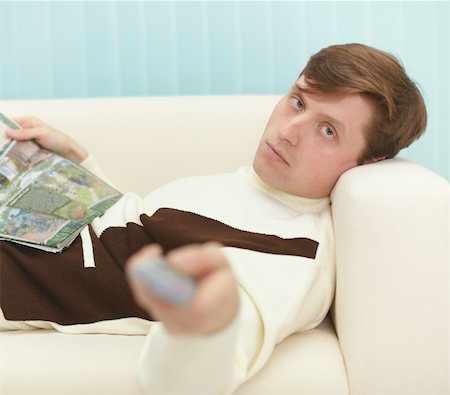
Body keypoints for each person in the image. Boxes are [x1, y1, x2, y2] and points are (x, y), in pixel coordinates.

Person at [0, 43, 427, 394]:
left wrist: (202, 326)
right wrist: (73, 157)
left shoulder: (292, 255)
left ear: (368, 161)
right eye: (297, 101)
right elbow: (128, 227)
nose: (288, 130)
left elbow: (200, 360)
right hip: (36, 225)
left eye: (328, 130)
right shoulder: (253, 185)